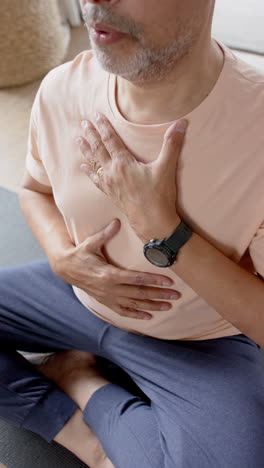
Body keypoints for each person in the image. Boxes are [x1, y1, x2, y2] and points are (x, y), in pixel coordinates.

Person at [1, 0, 264, 466]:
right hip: (75, 297)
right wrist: (63, 258)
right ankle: (80, 432)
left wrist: (164, 228)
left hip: (203, 342)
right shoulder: (62, 88)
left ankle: (79, 381)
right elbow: (33, 190)